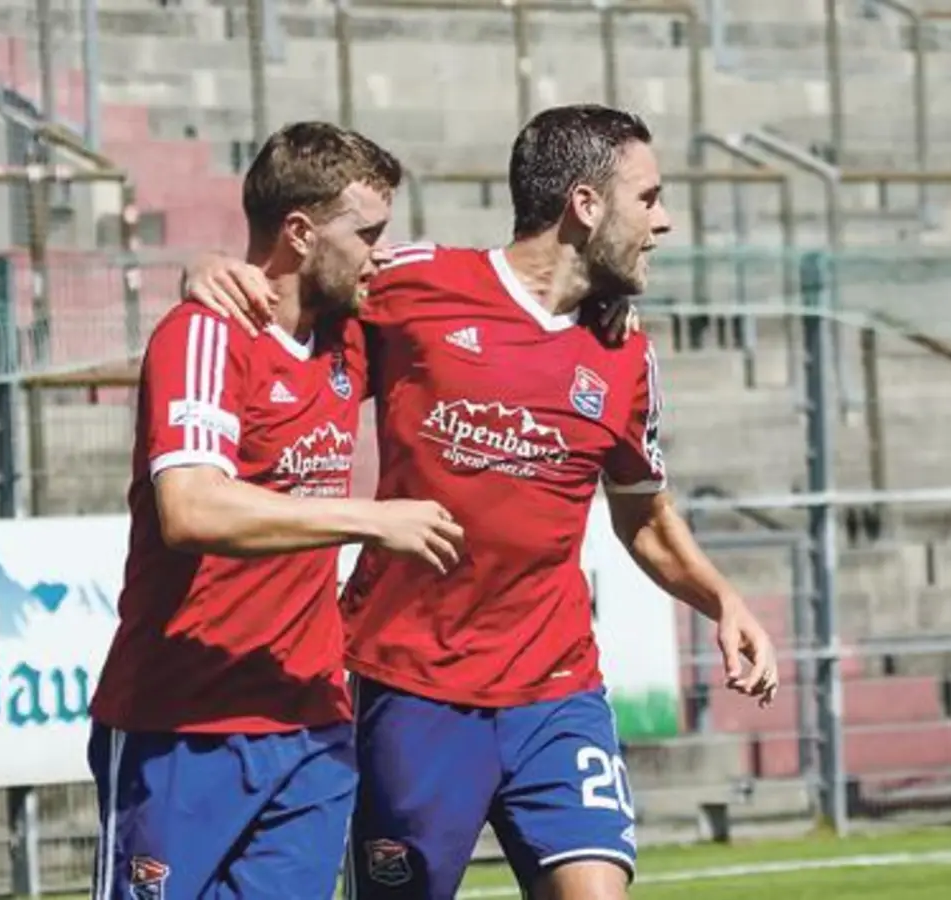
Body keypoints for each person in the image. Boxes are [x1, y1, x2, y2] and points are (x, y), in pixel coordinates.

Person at [184, 104, 780, 900]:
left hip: (556, 688)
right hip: (408, 688)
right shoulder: (417, 285)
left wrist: (722, 600)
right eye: (649, 198)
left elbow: (643, 515)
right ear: (586, 204)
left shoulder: (624, 352)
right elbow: (297, 289)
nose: (663, 221)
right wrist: (205, 270)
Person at [85, 121, 466, 900]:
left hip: (310, 722)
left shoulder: (351, 337)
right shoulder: (205, 334)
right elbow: (189, 508)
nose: (380, 254)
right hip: (184, 722)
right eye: (367, 234)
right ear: (299, 232)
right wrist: (371, 518)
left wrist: (600, 302)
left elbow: (492, 293)